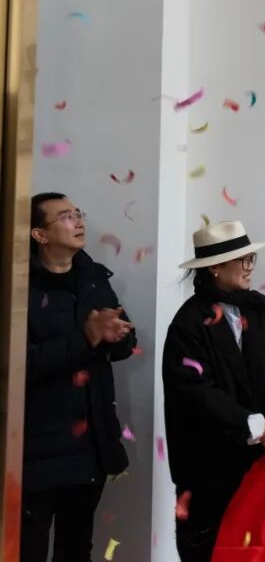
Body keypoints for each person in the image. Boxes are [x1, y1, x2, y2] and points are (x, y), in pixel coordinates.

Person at [162, 220, 265, 562]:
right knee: (211, 549)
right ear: (214, 267)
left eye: (250, 258)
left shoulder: (261, 308)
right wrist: (249, 423)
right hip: (208, 465)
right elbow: (195, 393)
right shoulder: (188, 324)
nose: (249, 266)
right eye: (241, 260)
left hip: (259, 460)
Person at [23, 192, 136, 562]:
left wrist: (119, 335)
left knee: (76, 549)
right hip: (37, 447)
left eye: (78, 213)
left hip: (91, 444)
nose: (79, 221)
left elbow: (122, 343)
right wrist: (87, 338)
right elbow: (23, 363)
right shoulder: (20, 286)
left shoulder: (93, 277)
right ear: (39, 234)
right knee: (27, 549)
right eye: (66, 216)